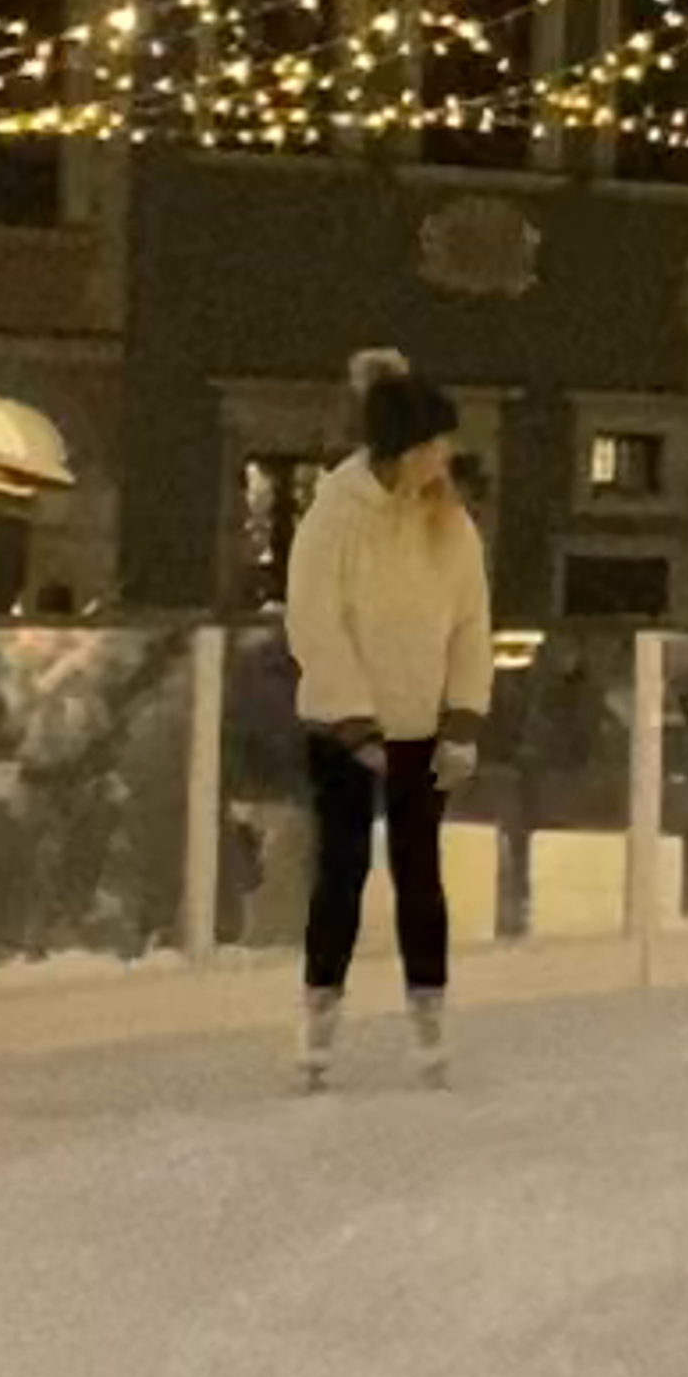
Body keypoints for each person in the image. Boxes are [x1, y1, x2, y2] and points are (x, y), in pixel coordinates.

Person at [284, 361, 493, 1089]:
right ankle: (319, 1018)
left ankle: (429, 1017)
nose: (445, 458)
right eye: (435, 443)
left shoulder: (449, 523)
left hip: (420, 729)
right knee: (340, 874)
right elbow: (314, 622)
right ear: (402, 446)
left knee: (420, 876)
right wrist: (354, 725)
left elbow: (471, 625)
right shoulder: (334, 517)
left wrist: (461, 721)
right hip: (344, 737)